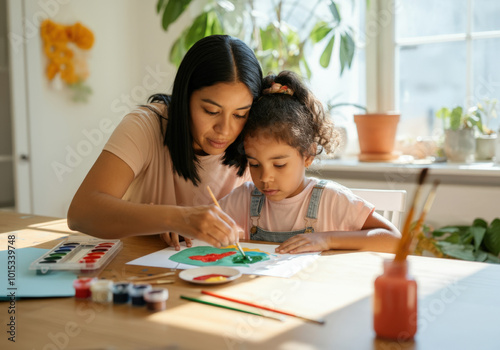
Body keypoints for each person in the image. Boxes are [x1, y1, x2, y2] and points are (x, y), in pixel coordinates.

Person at [67, 35, 263, 250]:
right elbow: (81, 213)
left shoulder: (254, 139)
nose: (225, 130)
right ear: (184, 97)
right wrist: (175, 218)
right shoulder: (145, 126)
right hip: (135, 270)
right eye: (211, 111)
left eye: (240, 114)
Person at [219, 71, 401, 254]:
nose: (265, 177)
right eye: (255, 164)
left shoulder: (331, 199)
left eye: (279, 165)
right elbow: (196, 232)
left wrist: (326, 239)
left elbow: (394, 240)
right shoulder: (244, 199)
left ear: (308, 155)